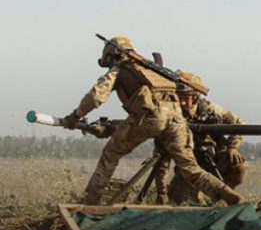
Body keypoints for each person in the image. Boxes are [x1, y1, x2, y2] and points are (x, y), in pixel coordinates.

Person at [63, 36, 242, 206]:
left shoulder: (120, 70)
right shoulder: (152, 69)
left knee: (111, 154)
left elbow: (95, 97)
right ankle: (226, 193)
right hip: (177, 118)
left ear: (111, 55)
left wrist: (75, 116)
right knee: (190, 168)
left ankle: (90, 201)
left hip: (150, 116)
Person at [152, 71, 247, 204]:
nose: (183, 102)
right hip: (189, 168)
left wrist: (232, 147)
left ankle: (224, 195)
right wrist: (161, 193)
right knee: (180, 199)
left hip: (216, 160)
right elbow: (162, 162)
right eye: (180, 97)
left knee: (238, 166)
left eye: (187, 97)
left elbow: (239, 123)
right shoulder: (169, 117)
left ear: (196, 97)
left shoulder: (209, 110)